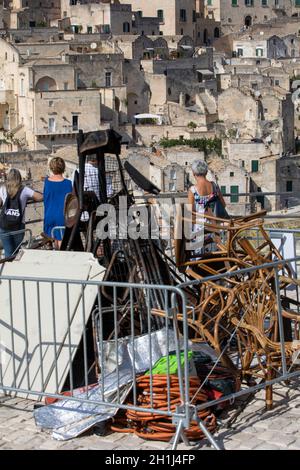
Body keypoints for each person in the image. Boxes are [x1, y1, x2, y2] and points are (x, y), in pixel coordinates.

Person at [0, 168, 43, 258]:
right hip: (18, 226)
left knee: (8, 253)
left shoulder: (3, 189)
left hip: (4, 226)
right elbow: (40, 197)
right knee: (16, 252)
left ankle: (9, 270)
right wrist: (28, 197)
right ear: (19, 178)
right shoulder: (24, 190)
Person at [187, 160, 226, 256]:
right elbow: (223, 205)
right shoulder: (214, 186)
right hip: (214, 226)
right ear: (206, 172)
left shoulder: (193, 190)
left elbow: (191, 212)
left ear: (193, 173)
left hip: (200, 227)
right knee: (214, 256)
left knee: (199, 256)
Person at [43, 157, 72, 247]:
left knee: (50, 241)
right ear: (63, 168)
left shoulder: (47, 182)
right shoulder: (68, 183)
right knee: (61, 242)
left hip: (49, 215)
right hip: (62, 216)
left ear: (51, 168)